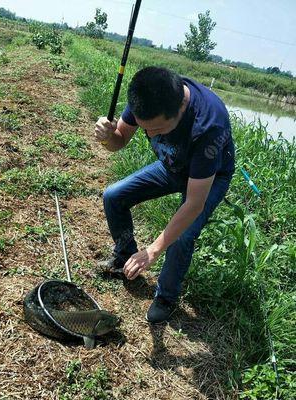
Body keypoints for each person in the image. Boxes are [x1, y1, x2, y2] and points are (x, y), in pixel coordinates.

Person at [94, 67, 235, 324]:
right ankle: (124, 256)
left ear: (180, 108)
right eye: (145, 129)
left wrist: (153, 250)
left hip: (209, 177)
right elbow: (119, 141)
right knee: (113, 196)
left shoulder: (209, 125)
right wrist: (107, 137)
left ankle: (166, 296)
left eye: (157, 130)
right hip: (173, 165)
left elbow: (194, 204)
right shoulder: (148, 95)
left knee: (182, 237)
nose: (149, 136)